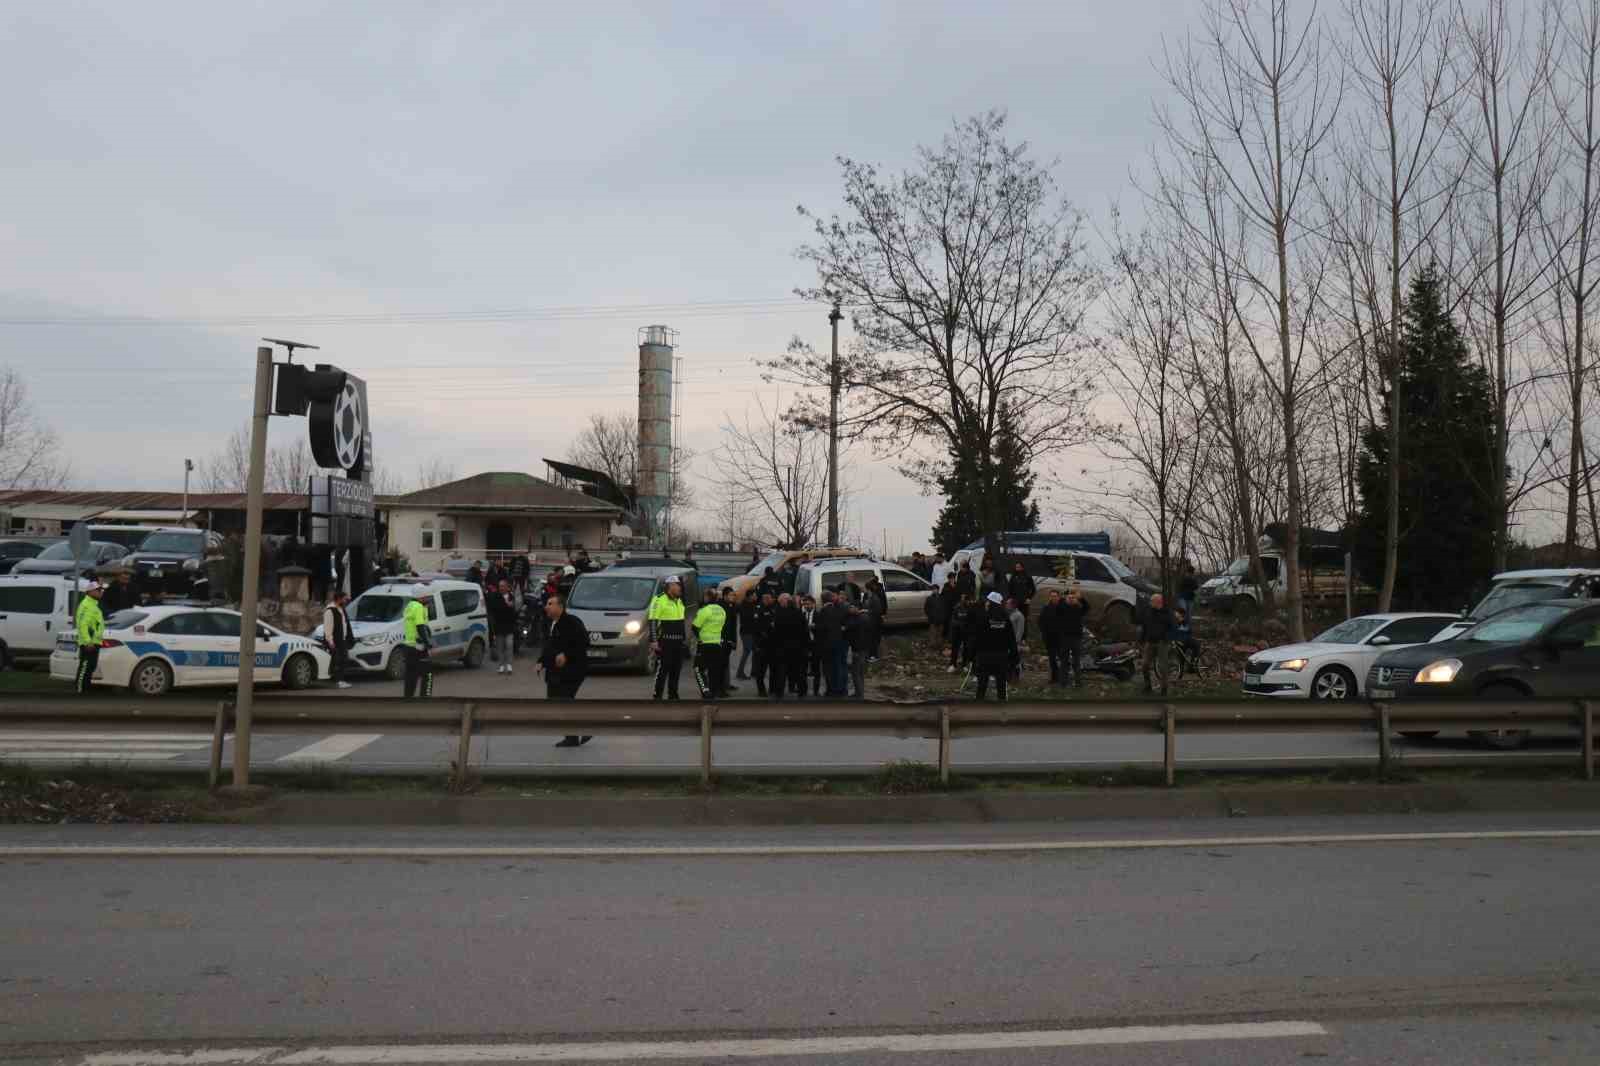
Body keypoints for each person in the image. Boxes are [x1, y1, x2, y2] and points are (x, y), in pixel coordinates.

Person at [542, 593, 592, 746]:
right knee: (557, 701)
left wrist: (566, 655)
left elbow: (584, 641)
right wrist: (541, 661)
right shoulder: (551, 623)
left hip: (573, 670)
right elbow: (550, 646)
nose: (547, 607)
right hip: (556, 671)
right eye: (547, 604)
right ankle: (574, 734)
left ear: (560, 606)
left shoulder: (572, 622)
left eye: (551, 604)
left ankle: (576, 733)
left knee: (564, 700)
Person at [971, 591, 1019, 702]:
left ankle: (978, 706)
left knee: (982, 683)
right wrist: (1014, 656)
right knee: (1001, 684)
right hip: (1001, 656)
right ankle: (1002, 709)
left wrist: (972, 655)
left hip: (984, 656)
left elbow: (976, 638)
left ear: (992, 603)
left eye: (988, 601)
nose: (986, 604)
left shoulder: (983, 617)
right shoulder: (1005, 618)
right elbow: (1011, 639)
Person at [647, 577, 688, 700]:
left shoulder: (679, 600)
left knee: (676, 669)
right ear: (670, 586)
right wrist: (654, 640)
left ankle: (673, 695)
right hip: (665, 641)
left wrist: (683, 640)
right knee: (663, 669)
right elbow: (653, 620)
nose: (680, 587)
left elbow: (681, 621)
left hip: (678, 641)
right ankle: (657, 695)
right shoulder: (659, 600)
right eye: (678, 585)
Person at [767, 593, 808, 701]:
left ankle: (779, 692)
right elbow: (805, 631)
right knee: (799, 671)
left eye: (780, 602)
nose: (779, 603)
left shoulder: (779, 614)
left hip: (781, 647)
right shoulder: (799, 613)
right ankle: (802, 692)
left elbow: (774, 632)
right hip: (797, 647)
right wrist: (806, 646)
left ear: (785, 601)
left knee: (781, 671)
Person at [691, 590, 727, 700]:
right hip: (717, 644)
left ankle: (705, 691)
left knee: (698, 669)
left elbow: (695, 626)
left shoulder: (704, 610)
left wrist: (699, 638)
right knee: (714, 670)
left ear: (707, 598)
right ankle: (713, 693)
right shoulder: (722, 610)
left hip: (704, 644)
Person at [1139, 593, 1175, 697]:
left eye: (1152, 601)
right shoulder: (1149, 612)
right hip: (1150, 642)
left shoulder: (1167, 613)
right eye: (1150, 601)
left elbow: (1172, 628)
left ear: (1159, 602)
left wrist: (1166, 639)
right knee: (1144, 665)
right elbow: (1145, 626)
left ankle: (1164, 689)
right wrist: (1141, 640)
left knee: (1162, 667)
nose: (1150, 603)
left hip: (1162, 643)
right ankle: (1147, 686)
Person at [74, 581, 106, 694]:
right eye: (98, 590)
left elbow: (96, 623)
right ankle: (80, 689)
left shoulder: (93, 604)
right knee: (85, 667)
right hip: (89, 643)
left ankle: (85, 689)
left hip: (94, 641)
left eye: (101, 590)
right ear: (91, 591)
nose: (101, 592)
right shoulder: (87, 605)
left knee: (91, 666)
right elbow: (83, 624)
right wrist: (88, 641)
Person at [401, 590, 435, 699]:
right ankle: (425, 698)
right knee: (428, 674)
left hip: (409, 646)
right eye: (426, 596)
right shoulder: (419, 607)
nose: (428, 597)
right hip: (418, 647)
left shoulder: (409, 606)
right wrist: (428, 642)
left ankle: (408, 698)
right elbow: (420, 627)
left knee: (411, 675)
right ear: (420, 597)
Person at [816, 590, 849, 696]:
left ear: (822, 600)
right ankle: (841, 689)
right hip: (840, 641)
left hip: (827, 644)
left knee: (829, 668)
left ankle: (832, 689)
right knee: (840, 666)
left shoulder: (824, 611)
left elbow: (821, 628)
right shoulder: (838, 609)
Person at [322, 590, 354, 689]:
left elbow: (345, 624)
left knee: (343, 660)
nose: (346, 601)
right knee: (339, 660)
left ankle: (339, 680)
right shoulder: (330, 611)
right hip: (335, 641)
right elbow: (328, 628)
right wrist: (331, 642)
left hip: (342, 639)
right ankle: (339, 680)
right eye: (344, 599)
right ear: (339, 599)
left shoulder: (341, 609)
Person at [1058, 588, 1089, 687]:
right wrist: (1064, 597)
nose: (1071, 599)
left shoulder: (1079, 609)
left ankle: (1078, 682)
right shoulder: (1062, 608)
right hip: (1065, 638)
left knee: (1076, 661)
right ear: (1066, 599)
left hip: (1076, 638)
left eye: (1073, 598)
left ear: (1076, 599)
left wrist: (1081, 598)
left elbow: (1087, 607)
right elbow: (1059, 605)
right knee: (1064, 661)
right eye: (1069, 598)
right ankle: (1063, 682)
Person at [488, 579, 519, 674]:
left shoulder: (511, 597)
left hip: (509, 626)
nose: (501, 588)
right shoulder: (495, 596)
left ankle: (509, 665)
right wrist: (507, 606)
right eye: (500, 586)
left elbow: (514, 612)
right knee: (500, 647)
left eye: (503, 586)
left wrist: (512, 607)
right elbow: (494, 609)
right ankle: (501, 665)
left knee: (509, 645)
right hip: (499, 626)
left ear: (507, 587)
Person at [1037, 589, 1066, 686]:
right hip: (1049, 638)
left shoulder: (1064, 607)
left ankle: (1064, 678)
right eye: (1051, 596)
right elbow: (1040, 621)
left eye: (1055, 596)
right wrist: (1043, 632)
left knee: (1063, 658)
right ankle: (1054, 678)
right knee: (1052, 659)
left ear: (1059, 597)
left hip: (1061, 638)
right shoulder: (1046, 608)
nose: (1053, 598)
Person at [751, 591, 777, 696]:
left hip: (772, 644)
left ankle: (772, 689)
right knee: (760, 670)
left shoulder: (773, 608)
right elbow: (757, 627)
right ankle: (761, 690)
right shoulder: (758, 609)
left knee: (773, 669)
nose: (771, 600)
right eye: (770, 598)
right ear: (765, 598)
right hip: (761, 644)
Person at [719, 587, 741, 695]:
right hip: (722, 639)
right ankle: (720, 688)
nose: (733, 597)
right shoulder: (720, 607)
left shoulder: (731, 606)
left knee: (725, 663)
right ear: (725, 596)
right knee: (721, 665)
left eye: (734, 595)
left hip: (729, 640)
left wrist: (734, 641)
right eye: (731, 595)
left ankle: (726, 684)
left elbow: (733, 626)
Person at [844, 602, 868, 699]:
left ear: (857, 608)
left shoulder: (858, 619)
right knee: (860, 672)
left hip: (858, 649)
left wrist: (856, 651)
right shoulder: (865, 617)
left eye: (852, 607)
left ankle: (859, 694)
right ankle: (861, 692)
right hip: (864, 648)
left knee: (856, 672)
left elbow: (856, 633)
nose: (850, 609)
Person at [801, 594, 823, 696]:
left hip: (816, 645)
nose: (806, 606)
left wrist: (815, 627)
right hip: (804, 644)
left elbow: (823, 628)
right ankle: (803, 690)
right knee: (803, 668)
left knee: (816, 669)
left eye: (808, 604)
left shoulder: (819, 615)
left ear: (813, 604)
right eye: (805, 604)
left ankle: (816, 691)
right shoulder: (801, 615)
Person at [1006, 562, 1037, 636]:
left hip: (1024, 602)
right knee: (1013, 619)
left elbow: (1033, 589)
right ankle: (1012, 635)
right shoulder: (1013, 577)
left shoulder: (1028, 577)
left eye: (1019, 567)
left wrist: (1029, 598)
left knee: (1023, 619)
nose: (1017, 568)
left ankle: (1023, 638)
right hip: (1014, 602)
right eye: (1016, 567)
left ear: (1022, 567)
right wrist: (1009, 598)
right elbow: (1010, 589)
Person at [863, 576, 887, 662]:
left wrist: (866, 611)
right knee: (870, 639)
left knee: (874, 639)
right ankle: (871, 655)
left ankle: (874, 656)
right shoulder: (868, 597)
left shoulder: (874, 598)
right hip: (869, 621)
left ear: (868, 589)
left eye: (864, 589)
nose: (863, 590)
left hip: (874, 622)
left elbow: (878, 610)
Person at [736, 590, 759, 680]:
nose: (756, 596)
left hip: (752, 632)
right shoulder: (744, 605)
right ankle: (740, 672)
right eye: (754, 595)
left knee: (754, 651)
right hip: (746, 632)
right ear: (750, 596)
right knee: (747, 651)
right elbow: (747, 618)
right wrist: (755, 616)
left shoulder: (753, 604)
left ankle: (754, 671)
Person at [1006, 596, 1026, 681]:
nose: (1006, 605)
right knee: (1009, 660)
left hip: (1014, 642)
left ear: (1012, 605)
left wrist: (1016, 642)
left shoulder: (1019, 615)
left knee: (1016, 660)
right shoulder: (1009, 614)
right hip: (1008, 641)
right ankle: (1009, 676)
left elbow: (1020, 630)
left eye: (1007, 603)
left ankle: (1016, 677)